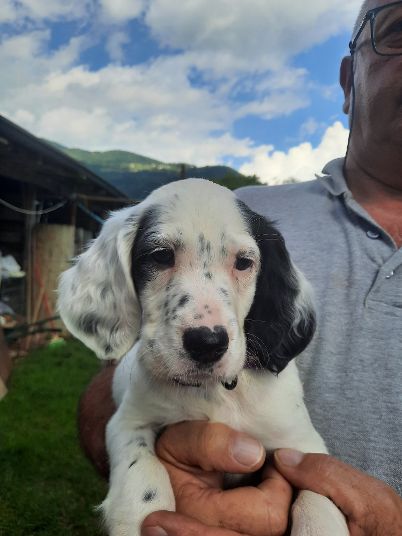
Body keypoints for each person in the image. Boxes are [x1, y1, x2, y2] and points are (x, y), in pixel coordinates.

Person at [78, 1, 402, 534]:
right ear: (348, 81)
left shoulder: (269, 272)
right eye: (399, 29)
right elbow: (122, 383)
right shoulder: (239, 214)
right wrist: (135, 448)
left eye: (240, 265)